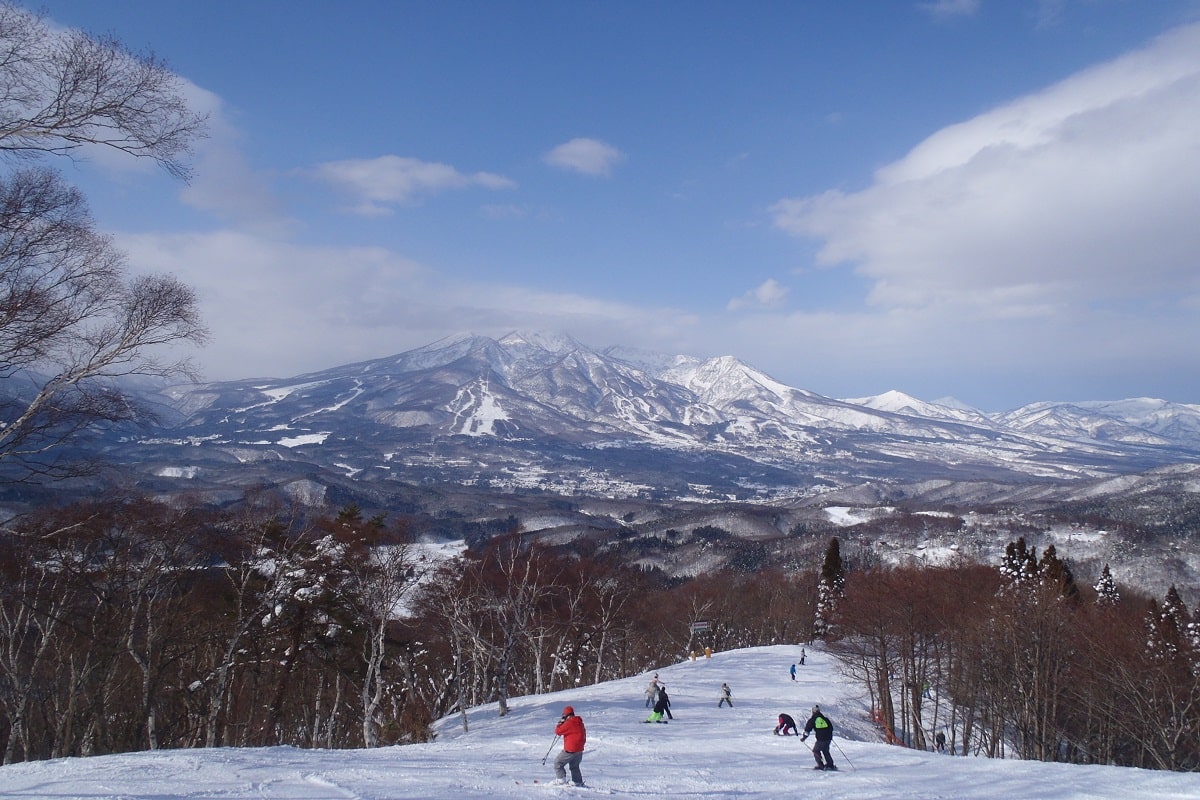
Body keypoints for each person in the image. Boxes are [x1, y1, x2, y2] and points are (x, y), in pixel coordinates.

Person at [553, 705, 586, 786]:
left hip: (570, 749)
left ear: (566, 715)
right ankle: (577, 782)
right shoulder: (579, 722)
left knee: (558, 763)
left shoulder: (569, 723)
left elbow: (558, 731)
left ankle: (561, 781)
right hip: (579, 750)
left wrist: (560, 723)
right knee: (574, 767)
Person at [801, 704, 836, 770]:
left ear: (813, 712)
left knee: (816, 751)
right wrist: (829, 735)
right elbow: (831, 728)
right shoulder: (825, 719)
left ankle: (821, 765)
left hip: (820, 739)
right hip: (828, 738)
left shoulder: (812, 720)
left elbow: (807, 730)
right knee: (825, 751)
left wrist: (804, 738)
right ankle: (830, 764)